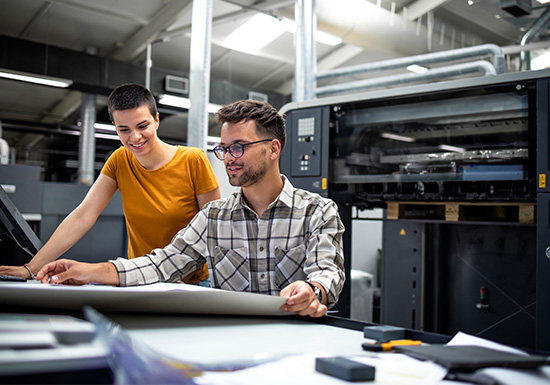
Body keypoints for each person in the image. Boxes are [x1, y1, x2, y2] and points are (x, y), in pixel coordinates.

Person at [37, 100, 345, 317]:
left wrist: (312, 290)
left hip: (297, 340)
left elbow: (328, 273)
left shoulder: (318, 212)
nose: (227, 158)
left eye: (238, 147)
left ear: (273, 148)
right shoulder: (213, 217)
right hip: (231, 343)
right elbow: (161, 264)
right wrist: (88, 271)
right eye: (223, 149)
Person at [1, 83, 220, 285]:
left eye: (142, 125)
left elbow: (215, 230)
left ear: (156, 120)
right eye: (124, 129)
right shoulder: (119, 160)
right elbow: (83, 216)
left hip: (191, 283)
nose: (134, 137)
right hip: (141, 279)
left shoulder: (193, 160)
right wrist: (31, 269)